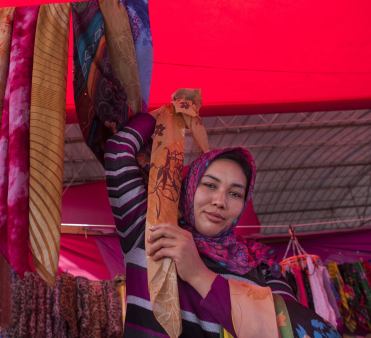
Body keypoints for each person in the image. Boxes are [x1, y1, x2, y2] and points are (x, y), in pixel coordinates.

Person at [104, 112, 340, 337]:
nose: (220, 202)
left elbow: (287, 330)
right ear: (189, 188)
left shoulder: (257, 264)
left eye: (235, 194)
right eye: (209, 185)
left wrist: (199, 274)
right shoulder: (149, 231)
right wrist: (171, 110)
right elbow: (118, 150)